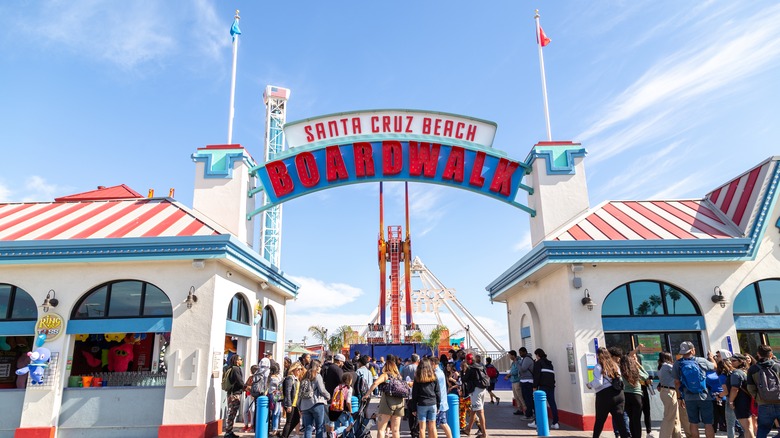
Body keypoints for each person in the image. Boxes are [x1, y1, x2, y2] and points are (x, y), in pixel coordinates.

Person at [674, 341, 716, 438]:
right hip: (704, 396)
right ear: (693, 350)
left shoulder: (678, 364)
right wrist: (711, 358)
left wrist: (680, 397)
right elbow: (715, 367)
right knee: (708, 423)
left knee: (693, 423)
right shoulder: (701, 361)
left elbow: (677, 382)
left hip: (688, 397)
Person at [587, 347, 629, 438]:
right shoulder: (615, 365)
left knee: (600, 421)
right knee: (620, 421)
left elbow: (598, 382)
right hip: (619, 394)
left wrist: (589, 385)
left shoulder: (598, 366)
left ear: (598, 355)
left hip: (604, 396)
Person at [364, 354, 405, 438]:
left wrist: (367, 395)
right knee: (396, 430)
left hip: (387, 403)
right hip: (400, 404)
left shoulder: (386, 375)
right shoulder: (399, 376)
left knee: (381, 429)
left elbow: (375, 383)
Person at [747, 345, 780, 438]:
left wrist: (758, 398)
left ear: (758, 354)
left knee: (762, 429)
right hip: (779, 401)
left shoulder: (753, 369)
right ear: (771, 354)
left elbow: (750, 387)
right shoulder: (778, 366)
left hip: (763, 404)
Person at [621, 350, 649, 438]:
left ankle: (633, 435)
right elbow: (646, 376)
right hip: (637, 396)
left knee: (631, 419)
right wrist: (637, 363)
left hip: (626, 395)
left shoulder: (622, 371)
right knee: (636, 420)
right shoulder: (635, 370)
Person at [529, 348, 559, 430]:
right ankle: (555, 423)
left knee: (539, 404)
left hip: (542, 386)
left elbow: (536, 375)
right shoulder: (550, 364)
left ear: (538, 355)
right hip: (551, 386)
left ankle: (536, 422)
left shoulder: (538, 363)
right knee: (552, 403)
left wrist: (534, 386)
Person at [300, 360, 331, 438]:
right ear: (317, 367)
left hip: (305, 405)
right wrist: (328, 396)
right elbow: (322, 390)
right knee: (319, 427)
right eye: (320, 366)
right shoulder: (317, 376)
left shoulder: (304, 376)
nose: (321, 368)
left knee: (308, 428)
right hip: (316, 403)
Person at [412, 357, 441, 438]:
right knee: (432, 427)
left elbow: (414, 394)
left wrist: (413, 408)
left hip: (421, 404)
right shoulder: (434, 376)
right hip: (432, 403)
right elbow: (438, 392)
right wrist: (438, 405)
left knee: (422, 428)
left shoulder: (417, 378)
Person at [657, 351, 683, 438]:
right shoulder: (667, 366)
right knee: (669, 417)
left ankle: (677, 435)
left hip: (665, 392)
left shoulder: (660, 367)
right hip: (670, 392)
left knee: (675, 416)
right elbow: (679, 374)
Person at [729, 353, 755, 438]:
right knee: (750, 427)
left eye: (734, 360)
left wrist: (731, 401)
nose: (731, 362)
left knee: (747, 428)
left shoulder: (736, 373)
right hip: (749, 400)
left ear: (740, 361)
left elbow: (734, 389)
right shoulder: (747, 371)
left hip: (741, 401)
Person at [431, 357, 453, 438]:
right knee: (443, 422)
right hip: (442, 402)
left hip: (439, 403)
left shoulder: (436, 374)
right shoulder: (440, 372)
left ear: (433, 363)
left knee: (436, 424)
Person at [281, 362, 304, 438]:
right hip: (290, 403)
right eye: (298, 369)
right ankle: (284, 436)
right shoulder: (290, 378)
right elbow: (288, 392)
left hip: (295, 404)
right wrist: (289, 405)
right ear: (293, 369)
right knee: (289, 421)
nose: (300, 371)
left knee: (296, 420)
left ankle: (284, 435)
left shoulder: (296, 379)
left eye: (301, 369)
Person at [223, 355, 245, 438]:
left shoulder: (231, 368)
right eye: (240, 359)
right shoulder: (236, 369)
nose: (241, 361)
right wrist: (246, 387)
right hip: (234, 394)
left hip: (232, 393)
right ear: (236, 361)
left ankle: (229, 431)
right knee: (232, 413)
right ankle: (228, 432)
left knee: (232, 413)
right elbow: (239, 381)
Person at [402, 354, 421, 438]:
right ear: (417, 360)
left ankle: (412, 431)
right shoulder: (418, 368)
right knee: (417, 413)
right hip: (417, 393)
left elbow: (402, 379)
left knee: (410, 413)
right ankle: (416, 430)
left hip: (407, 393)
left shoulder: (405, 368)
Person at [504, 350, 526, 416]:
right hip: (513, 381)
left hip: (517, 381)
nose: (509, 357)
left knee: (520, 396)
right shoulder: (513, 363)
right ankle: (520, 409)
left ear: (513, 355)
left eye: (510, 355)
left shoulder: (518, 362)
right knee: (516, 396)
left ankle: (525, 409)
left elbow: (516, 371)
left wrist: (509, 375)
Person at [243, 365, 259, 434]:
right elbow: (245, 386)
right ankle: (246, 424)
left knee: (252, 410)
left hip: (252, 396)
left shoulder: (257, 378)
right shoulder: (250, 378)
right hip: (248, 395)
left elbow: (255, 388)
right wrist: (248, 387)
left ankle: (252, 425)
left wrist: (249, 388)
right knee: (244, 411)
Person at [269, 363, 283, 436]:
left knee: (274, 413)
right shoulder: (277, 378)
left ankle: (274, 428)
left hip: (271, 395)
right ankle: (275, 429)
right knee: (276, 413)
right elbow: (280, 387)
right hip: (277, 396)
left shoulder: (269, 377)